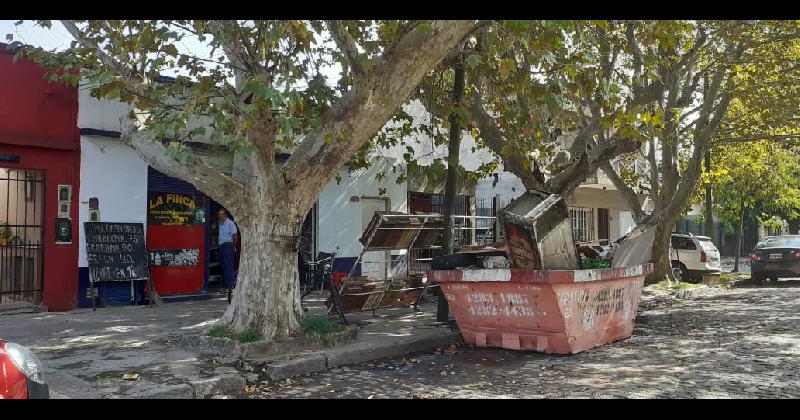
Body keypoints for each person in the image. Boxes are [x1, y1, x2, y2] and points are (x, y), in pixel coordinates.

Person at [217, 208, 239, 303]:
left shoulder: (230, 223)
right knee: (224, 266)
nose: (220, 216)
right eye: (219, 214)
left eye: (221, 214)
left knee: (229, 267)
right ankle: (227, 286)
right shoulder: (220, 223)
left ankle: (231, 287)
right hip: (222, 246)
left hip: (228, 245)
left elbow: (235, 236)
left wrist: (232, 247)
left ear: (226, 215)